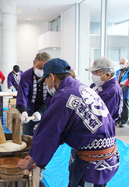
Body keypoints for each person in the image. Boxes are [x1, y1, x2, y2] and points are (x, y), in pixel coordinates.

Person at [17, 58, 119, 187]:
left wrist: (34, 159)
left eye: (46, 80)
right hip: (107, 155)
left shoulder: (64, 96)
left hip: (94, 161)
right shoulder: (80, 87)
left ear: (52, 77)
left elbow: (50, 132)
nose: (46, 84)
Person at [16, 52, 51, 136]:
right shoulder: (26, 75)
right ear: (34, 63)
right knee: (28, 136)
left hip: (47, 111)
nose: (42, 70)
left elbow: (52, 96)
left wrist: (41, 112)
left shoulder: (51, 76)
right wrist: (23, 111)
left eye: (45, 68)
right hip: (30, 110)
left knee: (44, 136)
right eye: (39, 67)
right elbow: (23, 94)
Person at [85, 57, 123, 121]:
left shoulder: (113, 91)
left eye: (96, 72)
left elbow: (104, 117)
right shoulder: (96, 84)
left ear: (108, 75)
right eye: (92, 72)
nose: (93, 75)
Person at [116, 58, 129, 127]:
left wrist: (123, 88)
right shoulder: (117, 71)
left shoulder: (128, 71)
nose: (121, 64)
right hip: (118, 89)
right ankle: (118, 120)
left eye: (122, 63)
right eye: (120, 63)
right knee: (118, 105)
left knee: (125, 106)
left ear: (127, 63)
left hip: (126, 90)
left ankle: (123, 121)